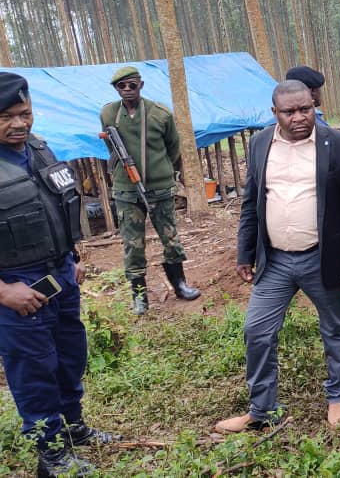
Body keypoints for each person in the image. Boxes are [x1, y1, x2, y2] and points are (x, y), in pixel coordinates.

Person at [218, 80, 340, 433]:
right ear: (275, 114)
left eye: (305, 109)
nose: (299, 117)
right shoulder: (260, 144)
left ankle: (337, 396)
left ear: (313, 105)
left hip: (322, 257)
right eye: (289, 112)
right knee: (256, 331)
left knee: (336, 328)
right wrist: (245, 251)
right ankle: (262, 409)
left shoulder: (338, 144)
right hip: (273, 260)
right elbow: (251, 202)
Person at [0, 72, 119, 477]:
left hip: (60, 276)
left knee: (70, 357)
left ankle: (73, 427)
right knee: (34, 370)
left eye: (25, 113)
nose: (19, 124)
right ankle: (50, 455)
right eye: (6, 117)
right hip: (17, 288)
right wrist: (2, 292)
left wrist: (73, 256)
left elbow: (57, 205)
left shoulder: (38, 149)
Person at [99, 66, 201, 315]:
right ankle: (140, 296)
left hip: (159, 188)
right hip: (126, 191)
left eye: (131, 85)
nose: (126, 90)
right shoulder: (109, 113)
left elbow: (173, 148)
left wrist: (163, 173)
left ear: (140, 85)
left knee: (170, 238)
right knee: (132, 244)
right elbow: (112, 148)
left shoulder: (160, 114)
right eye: (120, 86)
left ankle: (179, 284)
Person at [285, 66, 340, 333]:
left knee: (332, 265)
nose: (320, 94)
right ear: (310, 92)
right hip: (313, 215)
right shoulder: (297, 127)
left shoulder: (317, 119)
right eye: (317, 90)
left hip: (329, 209)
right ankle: (338, 316)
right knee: (323, 269)